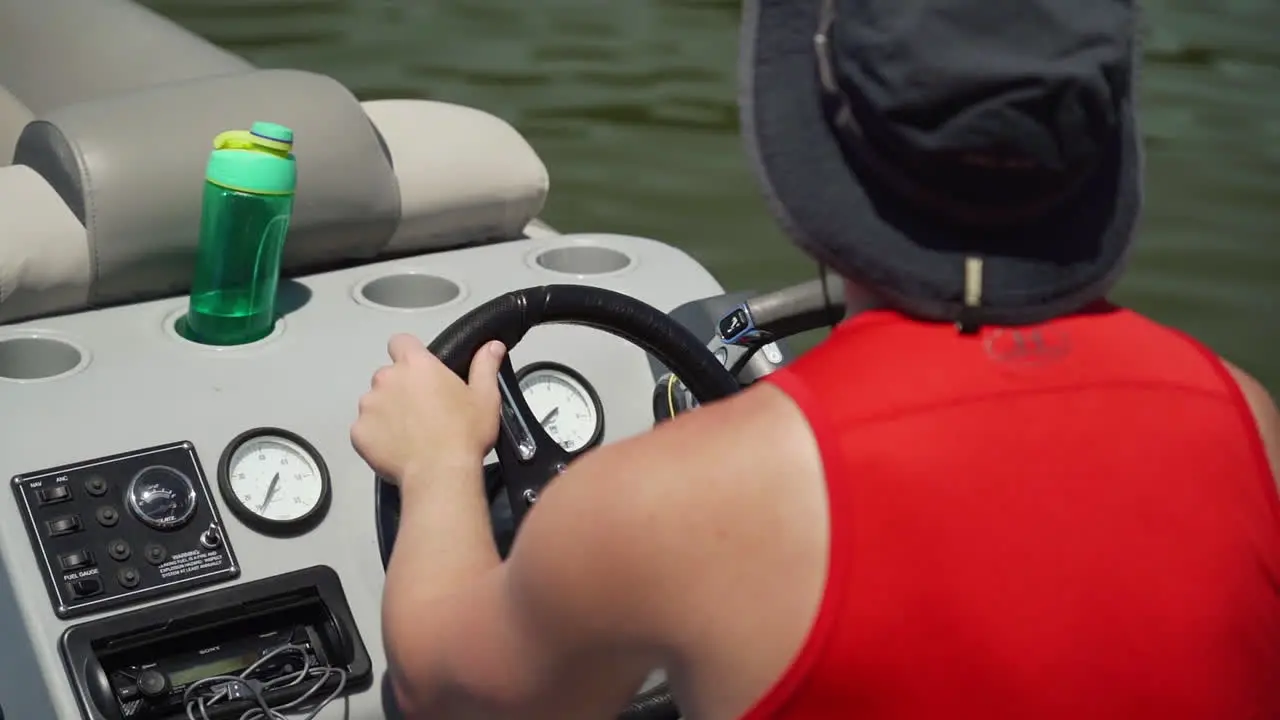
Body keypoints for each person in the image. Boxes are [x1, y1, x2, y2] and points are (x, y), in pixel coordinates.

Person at [351, 0, 1280, 718]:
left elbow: (444, 693)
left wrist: (436, 465)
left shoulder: (672, 502)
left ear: (809, 140)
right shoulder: (1244, 419)